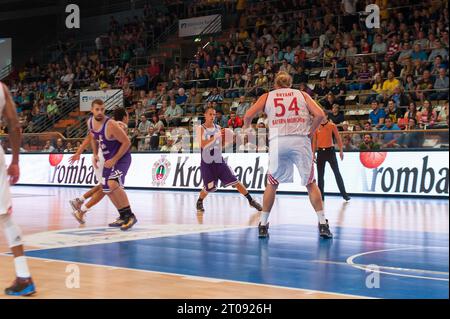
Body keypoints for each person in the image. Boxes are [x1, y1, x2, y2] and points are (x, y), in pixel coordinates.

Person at [243, 71, 332, 239]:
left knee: (272, 184)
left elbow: (247, 115)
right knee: (310, 183)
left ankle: (263, 225)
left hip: (278, 141)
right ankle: (322, 224)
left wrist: (247, 130)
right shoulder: (302, 94)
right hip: (300, 140)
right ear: (290, 84)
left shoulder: (267, 96)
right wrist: (310, 132)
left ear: (275, 85)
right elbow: (320, 114)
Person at [0, 82, 36, 296]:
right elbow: (14, 126)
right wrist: (15, 161)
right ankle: (24, 276)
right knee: (5, 218)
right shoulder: (2, 89)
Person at [69, 107, 130, 224]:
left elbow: (91, 137)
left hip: (101, 157)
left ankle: (79, 201)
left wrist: (92, 153)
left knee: (106, 186)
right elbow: (125, 143)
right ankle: (81, 210)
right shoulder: (120, 125)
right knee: (107, 188)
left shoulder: (106, 125)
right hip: (106, 158)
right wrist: (95, 153)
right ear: (125, 117)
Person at [196, 107, 262, 214]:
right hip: (207, 162)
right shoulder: (200, 128)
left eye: (214, 114)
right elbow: (202, 144)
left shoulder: (219, 128)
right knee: (209, 188)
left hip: (218, 160)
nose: (213, 116)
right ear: (205, 115)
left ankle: (251, 200)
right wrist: (216, 137)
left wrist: (229, 140)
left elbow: (221, 144)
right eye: (210, 114)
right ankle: (200, 201)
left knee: (235, 181)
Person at [87, 100, 137, 230]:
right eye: (97, 109)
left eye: (102, 109)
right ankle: (123, 216)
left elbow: (126, 142)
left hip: (122, 158)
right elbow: (92, 137)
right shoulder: (90, 122)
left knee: (113, 183)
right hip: (109, 160)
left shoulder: (111, 124)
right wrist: (94, 154)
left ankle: (130, 215)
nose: (100, 112)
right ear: (92, 110)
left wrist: (114, 159)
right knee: (106, 189)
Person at [313, 114, 351, 202]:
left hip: (330, 151)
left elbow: (338, 138)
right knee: (320, 176)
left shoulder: (332, 125)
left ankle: (345, 195)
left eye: (323, 115)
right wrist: (313, 153)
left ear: (326, 116)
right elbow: (314, 141)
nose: (322, 117)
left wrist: (341, 150)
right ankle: (321, 196)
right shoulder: (316, 127)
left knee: (337, 173)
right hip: (320, 152)